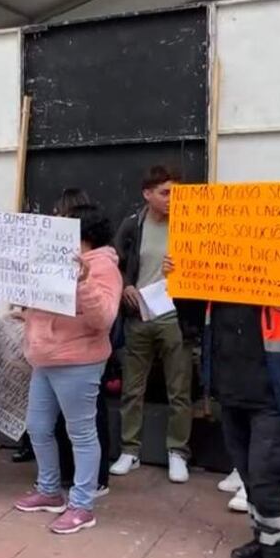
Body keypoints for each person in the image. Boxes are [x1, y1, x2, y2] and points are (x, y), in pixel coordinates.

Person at [166, 255, 280, 558]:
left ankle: (277, 550)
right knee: (247, 471)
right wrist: (179, 281)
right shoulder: (220, 268)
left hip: (275, 394)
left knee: (264, 475)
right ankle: (263, 538)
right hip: (231, 393)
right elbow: (190, 321)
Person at [13, 204, 122, 535]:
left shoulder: (103, 268)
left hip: (79, 362)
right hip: (44, 358)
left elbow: (103, 318)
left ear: (81, 234)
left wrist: (84, 283)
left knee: (82, 433)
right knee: (38, 427)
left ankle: (82, 505)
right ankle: (49, 490)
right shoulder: (53, 261)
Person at [112, 166, 197, 483]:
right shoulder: (133, 225)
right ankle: (130, 450)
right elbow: (114, 262)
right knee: (133, 388)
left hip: (176, 315)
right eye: (165, 192)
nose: (172, 199)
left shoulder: (189, 225)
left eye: (175, 192)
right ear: (147, 194)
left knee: (179, 389)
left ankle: (178, 452)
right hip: (140, 313)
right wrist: (125, 286)